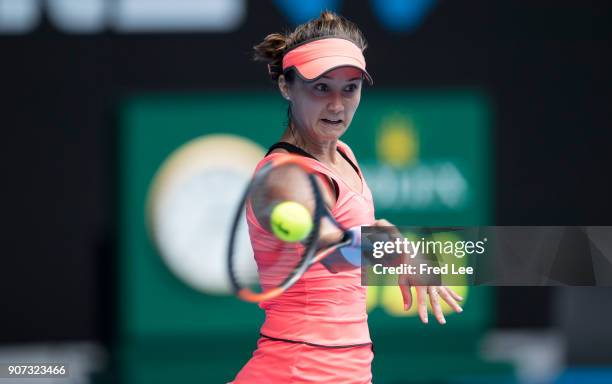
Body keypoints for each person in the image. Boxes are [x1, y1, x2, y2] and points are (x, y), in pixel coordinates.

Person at [230, 11, 463, 384]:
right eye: (321, 87)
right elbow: (322, 241)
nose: (337, 105)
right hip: (296, 372)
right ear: (286, 87)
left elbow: (345, 257)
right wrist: (386, 246)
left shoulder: (345, 155)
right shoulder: (285, 176)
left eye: (349, 87)